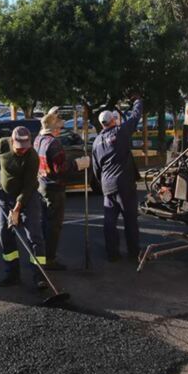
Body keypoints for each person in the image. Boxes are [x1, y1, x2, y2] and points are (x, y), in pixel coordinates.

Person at [0, 126, 45, 288]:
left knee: (34, 236)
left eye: (25, 148)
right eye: (19, 148)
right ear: (12, 141)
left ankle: (40, 276)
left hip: (28, 198)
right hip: (5, 197)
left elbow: (29, 186)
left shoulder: (32, 157)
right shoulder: (2, 145)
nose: (22, 151)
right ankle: (12, 274)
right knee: (5, 234)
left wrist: (16, 210)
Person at [34, 107, 90, 270]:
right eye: (59, 128)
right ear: (54, 129)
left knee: (45, 223)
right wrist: (78, 164)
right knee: (53, 226)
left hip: (42, 184)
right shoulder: (54, 144)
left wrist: (52, 114)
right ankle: (49, 260)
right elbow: (61, 169)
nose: (60, 131)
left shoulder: (38, 140)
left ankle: (41, 256)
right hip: (54, 188)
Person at [91, 96, 143, 262]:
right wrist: (137, 101)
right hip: (124, 185)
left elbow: (96, 168)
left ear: (102, 124)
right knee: (130, 220)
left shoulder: (97, 142)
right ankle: (134, 252)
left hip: (108, 186)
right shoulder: (120, 132)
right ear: (113, 120)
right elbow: (135, 117)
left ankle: (112, 253)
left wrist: (101, 185)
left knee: (109, 222)